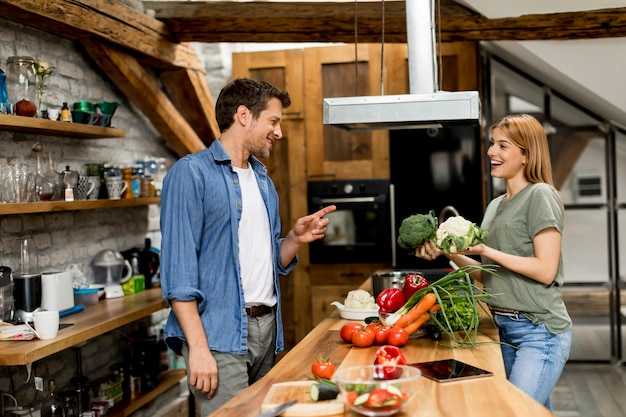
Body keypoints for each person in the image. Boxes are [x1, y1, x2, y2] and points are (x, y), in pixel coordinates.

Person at [159, 78, 336, 415]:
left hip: (265, 328)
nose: (279, 132)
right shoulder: (191, 174)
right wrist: (197, 349)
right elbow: (178, 273)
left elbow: (268, 260)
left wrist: (294, 240)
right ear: (243, 115)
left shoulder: (263, 180)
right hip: (218, 335)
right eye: (273, 121)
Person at [415, 114, 572, 411]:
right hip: (505, 329)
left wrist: (486, 250)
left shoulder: (541, 195)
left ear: (526, 154)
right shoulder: (495, 205)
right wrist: (447, 252)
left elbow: (545, 270)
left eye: (503, 145)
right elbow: (486, 277)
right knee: (532, 410)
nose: (491, 152)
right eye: (491, 144)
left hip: (540, 332)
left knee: (512, 410)